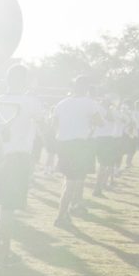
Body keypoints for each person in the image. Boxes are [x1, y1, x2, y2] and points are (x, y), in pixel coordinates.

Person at [0, 64, 38, 269]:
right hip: (18, 159)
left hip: (0, 158)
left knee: (8, 209)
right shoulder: (30, 102)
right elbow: (45, 122)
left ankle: (4, 253)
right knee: (7, 210)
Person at [49, 75, 101, 225]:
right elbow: (99, 122)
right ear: (86, 88)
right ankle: (62, 215)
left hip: (64, 144)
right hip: (80, 145)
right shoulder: (90, 103)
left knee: (72, 180)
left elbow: (54, 125)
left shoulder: (61, 103)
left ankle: (73, 208)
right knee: (74, 182)